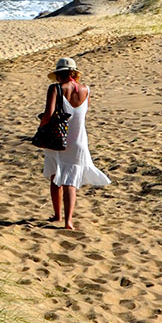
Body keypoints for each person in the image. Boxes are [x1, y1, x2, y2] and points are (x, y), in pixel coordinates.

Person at [38, 57, 109, 230]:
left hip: (57, 138)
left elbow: (49, 113)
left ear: (58, 75)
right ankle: (68, 221)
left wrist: (41, 128)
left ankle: (57, 215)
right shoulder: (86, 90)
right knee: (71, 181)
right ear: (74, 73)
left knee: (56, 176)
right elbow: (83, 113)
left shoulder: (55, 89)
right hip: (78, 140)